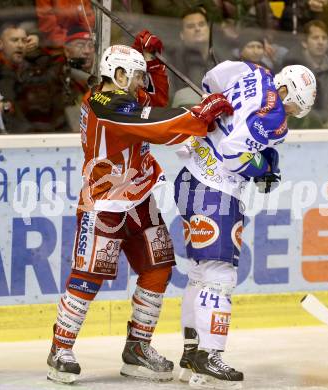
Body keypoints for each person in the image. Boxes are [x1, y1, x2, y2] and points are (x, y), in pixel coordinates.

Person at [46, 29, 233, 384]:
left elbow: (155, 103)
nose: (139, 84)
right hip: (104, 204)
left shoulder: (122, 95)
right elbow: (158, 125)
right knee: (88, 277)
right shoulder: (106, 103)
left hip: (139, 199)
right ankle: (60, 350)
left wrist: (151, 63)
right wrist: (200, 114)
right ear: (117, 75)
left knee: (159, 266)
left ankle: (137, 348)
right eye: (134, 77)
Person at [174, 62, 317, 388]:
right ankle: (210, 357)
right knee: (219, 275)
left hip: (189, 176)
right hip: (216, 190)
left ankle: (192, 355)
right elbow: (232, 153)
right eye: (295, 108)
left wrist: (215, 105)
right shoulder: (276, 120)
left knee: (200, 273)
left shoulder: (256, 71)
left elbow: (210, 78)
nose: (291, 114)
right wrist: (262, 167)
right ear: (291, 95)